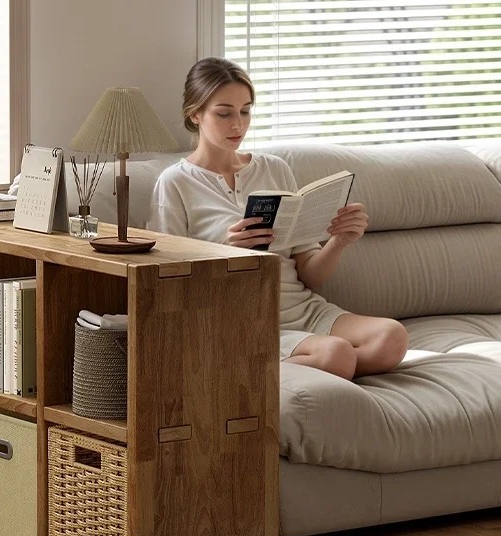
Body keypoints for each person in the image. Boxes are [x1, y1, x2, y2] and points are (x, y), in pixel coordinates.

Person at [146, 57, 408, 380]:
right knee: (337, 354)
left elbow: (310, 274)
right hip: (240, 319)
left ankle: (302, 365)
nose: (237, 125)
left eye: (245, 111)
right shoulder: (175, 183)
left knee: (392, 338)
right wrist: (224, 250)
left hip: (305, 311)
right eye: (224, 112)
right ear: (195, 114)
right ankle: (242, 368)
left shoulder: (275, 169)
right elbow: (164, 284)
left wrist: (339, 241)